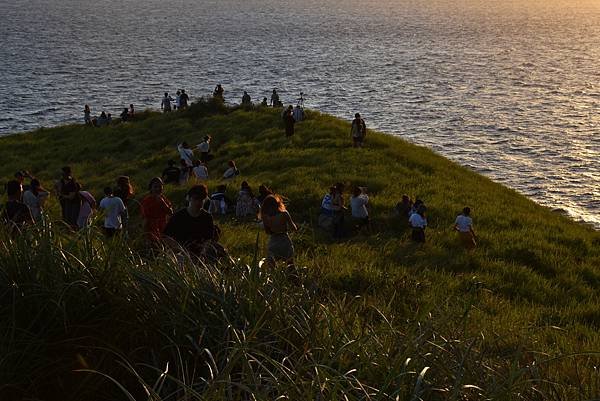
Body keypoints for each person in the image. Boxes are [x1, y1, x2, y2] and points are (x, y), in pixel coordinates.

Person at [163, 184, 221, 257]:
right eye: (196, 198)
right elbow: (166, 237)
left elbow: (209, 239)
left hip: (200, 253)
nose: (198, 202)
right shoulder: (179, 216)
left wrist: (204, 250)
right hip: (181, 253)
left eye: (201, 199)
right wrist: (181, 249)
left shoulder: (207, 217)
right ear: (189, 198)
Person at [261, 194, 298, 268]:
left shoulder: (266, 217)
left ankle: (275, 278)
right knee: (290, 265)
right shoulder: (284, 213)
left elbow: (267, 231)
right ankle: (293, 278)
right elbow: (294, 228)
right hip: (285, 240)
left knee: (271, 265)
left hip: (273, 241)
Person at [140, 177, 173, 242]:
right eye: (155, 187)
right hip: (151, 230)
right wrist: (145, 235)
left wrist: (162, 202)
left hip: (163, 228)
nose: (158, 189)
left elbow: (170, 212)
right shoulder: (146, 201)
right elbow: (144, 218)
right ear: (151, 188)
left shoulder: (164, 199)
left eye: (160, 186)